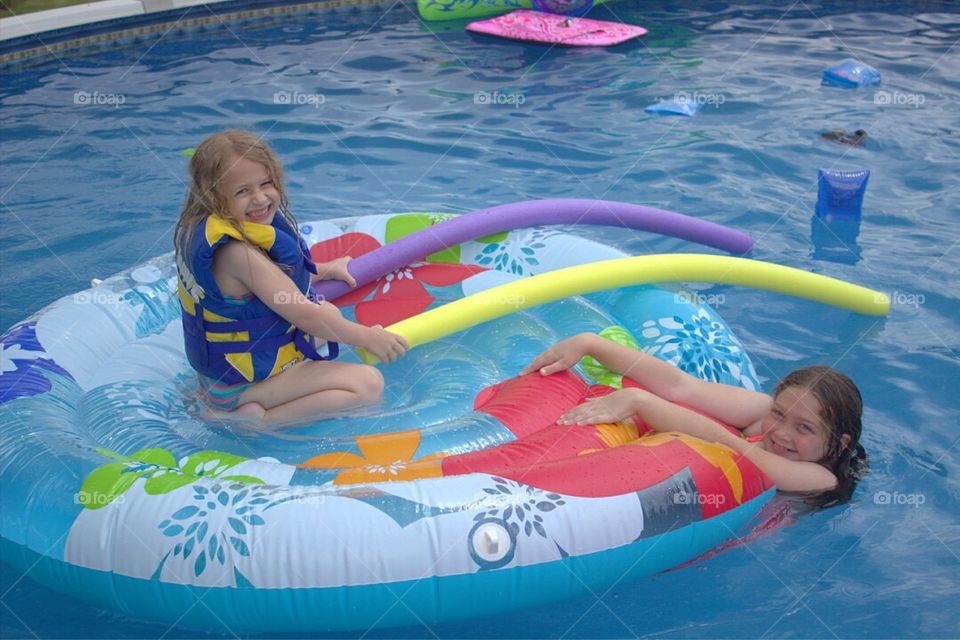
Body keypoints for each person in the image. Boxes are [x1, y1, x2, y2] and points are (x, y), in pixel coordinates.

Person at [174, 130, 408, 424]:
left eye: (265, 184)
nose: (260, 198)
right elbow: (304, 315)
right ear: (213, 196)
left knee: (330, 314)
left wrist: (323, 269)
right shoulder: (236, 253)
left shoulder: (207, 228)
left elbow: (268, 279)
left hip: (221, 373)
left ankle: (234, 400)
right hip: (237, 388)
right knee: (368, 384)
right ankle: (251, 421)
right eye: (242, 191)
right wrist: (369, 338)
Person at [521, 332, 867, 505]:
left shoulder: (819, 478)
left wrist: (643, 402)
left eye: (804, 428)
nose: (781, 432)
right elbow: (682, 387)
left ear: (840, 442)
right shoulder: (764, 414)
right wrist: (591, 344)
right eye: (779, 413)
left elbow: (740, 452)